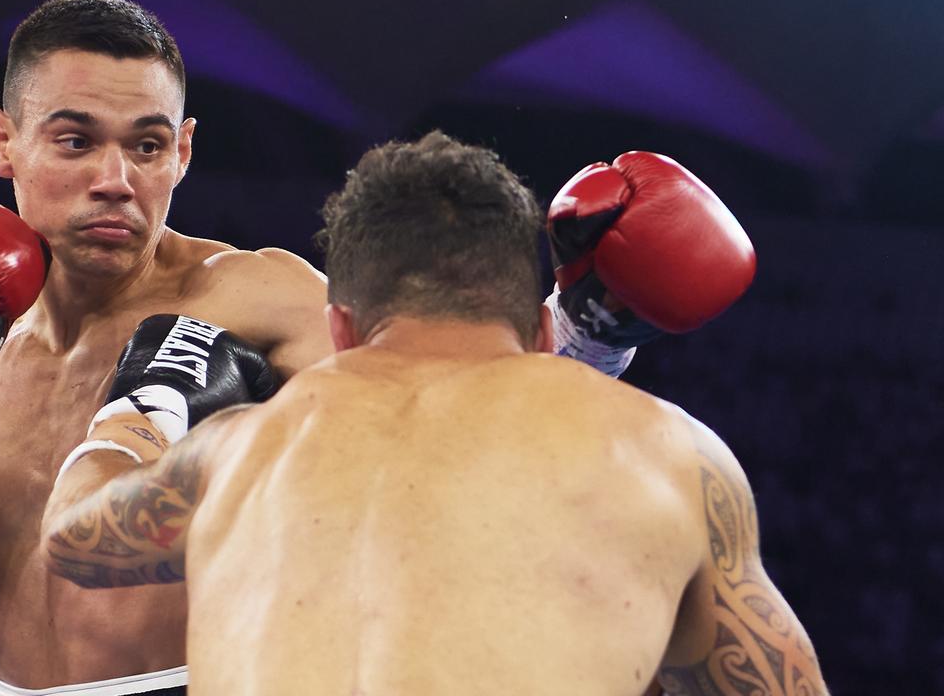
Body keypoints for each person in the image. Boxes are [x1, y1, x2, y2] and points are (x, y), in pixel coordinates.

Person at [40, 132, 826, 696]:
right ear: (547, 332)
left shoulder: (240, 451)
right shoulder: (666, 455)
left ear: (339, 330)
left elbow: (75, 542)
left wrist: (145, 405)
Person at [0, 0, 332, 695]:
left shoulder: (260, 299)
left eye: (147, 146)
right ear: (3, 140)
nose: (115, 182)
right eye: (76, 141)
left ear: (183, 152)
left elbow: (424, 435)